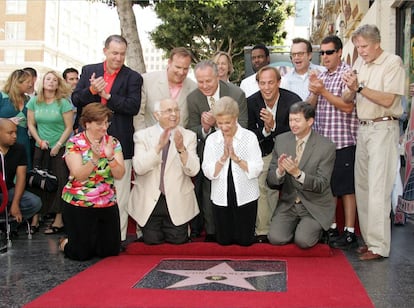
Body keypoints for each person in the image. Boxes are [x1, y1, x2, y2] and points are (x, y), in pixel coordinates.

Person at [342, 24, 405, 261]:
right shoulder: (360, 63)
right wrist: (350, 89)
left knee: (378, 188)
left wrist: (359, 87)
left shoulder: (392, 62)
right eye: (358, 46)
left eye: (364, 46)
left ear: (377, 43)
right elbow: (350, 97)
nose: (361, 51)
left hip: (383, 126)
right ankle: (370, 241)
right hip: (364, 128)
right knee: (364, 188)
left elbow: (389, 99)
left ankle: (379, 246)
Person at [72, 34, 143, 244]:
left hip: (120, 141)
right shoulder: (88, 71)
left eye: (122, 54)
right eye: (114, 53)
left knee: (119, 194)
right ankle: (90, 237)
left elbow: (132, 107)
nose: (118, 58)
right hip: (88, 141)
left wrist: (109, 96)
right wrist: (93, 90)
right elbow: (76, 100)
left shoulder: (133, 77)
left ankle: (117, 239)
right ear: (105, 51)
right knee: (88, 190)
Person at [307, 35, 359, 249]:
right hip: (324, 143)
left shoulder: (348, 75)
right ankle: (332, 228)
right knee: (327, 188)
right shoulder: (322, 76)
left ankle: (349, 232)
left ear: (339, 52)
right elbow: (310, 107)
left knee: (346, 189)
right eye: (323, 53)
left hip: (344, 141)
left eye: (329, 52)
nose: (325, 56)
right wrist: (315, 91)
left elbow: (348, 107)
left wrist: (323, 91)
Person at [187, 60, 248, 241]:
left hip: (237, 151)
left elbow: (244, 126)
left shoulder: (236, 94)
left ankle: (237, 229)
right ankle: (212, 231)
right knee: (207, 190)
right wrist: (205, 128)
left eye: (209, 81)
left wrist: (219, 125)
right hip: (208, 152)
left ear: (218, 76)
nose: (204, 86)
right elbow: (191, 129)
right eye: (200, 81)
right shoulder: (192, 98)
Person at [128, 98, 199, 244]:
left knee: (178, 240)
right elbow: (139, 168)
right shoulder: (142, 136)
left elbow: (194, 171)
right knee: (152, 241)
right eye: (168, 111)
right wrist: (158, 147)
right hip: (150, 198)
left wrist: (181, 149)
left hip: (177, 197)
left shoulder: (188, 136)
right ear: (156, 115)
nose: (174, 114)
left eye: (176, 110)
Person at [59, 103, 125, 260]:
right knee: (80, 254)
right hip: (79, 202)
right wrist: (94, 158)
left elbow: (120, 174)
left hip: (107, 202)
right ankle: (65, 243)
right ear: (87, 123)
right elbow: (79, 175)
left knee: (110, 252)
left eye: (106, 122)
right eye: (99, 123)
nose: (104, 127)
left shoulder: (113, 142)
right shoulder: (74, 143)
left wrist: (110, 157)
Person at [267, 102, 336, 249]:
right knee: (275, 238)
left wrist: (298, 174)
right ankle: (296, 228)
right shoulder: (281, 140)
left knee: (303, 241)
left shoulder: (326, 146)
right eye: (291, 120)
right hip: (289, 203)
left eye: (297, 120)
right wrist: (280, 171)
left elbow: (322, 184)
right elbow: (271, 180)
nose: (293, 124)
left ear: (310, 121)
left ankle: (315, 231)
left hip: (314, 204)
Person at [247, 66, 301, 243]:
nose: (267, 87)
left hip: (292, 151)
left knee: (293, 185)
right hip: (264, 150)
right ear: (258, 84)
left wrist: (275, 125)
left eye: (271, 82)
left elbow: (298, 130)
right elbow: (247, 133)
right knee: (262, 184)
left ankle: (295, 226)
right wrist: (265, 130)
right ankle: (263, 230)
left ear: (279, 82)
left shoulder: (293, 101)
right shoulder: (251, 102)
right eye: (262, 83)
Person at [202, 96, 263, 246]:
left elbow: (257, 168)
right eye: (220, 123)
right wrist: (223, 158)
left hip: (246, 194)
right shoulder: (212, 140)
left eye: (227, 122)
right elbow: (208, 171)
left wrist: (236, 159)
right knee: (223, 241)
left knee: (245, 241)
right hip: (221, 195)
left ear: (235, 118)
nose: (224, 127)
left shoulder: (249, 137)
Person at [27, 71, 74, 234]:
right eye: (48, 79)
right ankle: (35, 217)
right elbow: (31, 124)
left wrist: (58, 144)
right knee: (36, 180)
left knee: (60, 181)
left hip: (59, 147)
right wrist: (39, 140)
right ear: (43, 82)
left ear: (58, 84)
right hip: (41, 146)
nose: (51, 82)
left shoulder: (63, 103)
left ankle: (59, 219)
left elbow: (69, 127)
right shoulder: (34, 101)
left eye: (55, 80)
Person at [134, 47, 196, 131]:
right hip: (149, 140)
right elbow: (138, 114)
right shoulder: (147, 80)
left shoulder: (194, 87)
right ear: (169, 62)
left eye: (185, 69)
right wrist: (142, 138)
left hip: (178, 141)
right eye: (178, 67)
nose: (181, 72)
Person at [0, 118, 41, 234]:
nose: (14, 136)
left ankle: (8, 226)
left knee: (34, 202)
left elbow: (21, 177)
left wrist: (15, 203)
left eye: (15, 132)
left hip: (7, 190)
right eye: (10, 133)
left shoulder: (19, 149)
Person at [0, 69, 33, 170]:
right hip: (4, 142)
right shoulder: (2, 96)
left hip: (24, 140)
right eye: (27, 82)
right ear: (18, 83)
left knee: (23, 171)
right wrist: (7, 121)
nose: (31, 85)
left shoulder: (28, 100)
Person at [62, 67, 80, 132]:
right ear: (64, 81)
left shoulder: (81, 96)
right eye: (71, 79)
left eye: (77, 79)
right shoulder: (60, 97)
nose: (75, 82)